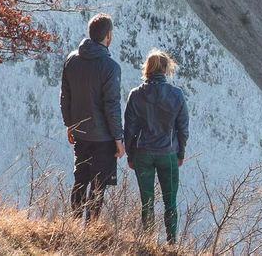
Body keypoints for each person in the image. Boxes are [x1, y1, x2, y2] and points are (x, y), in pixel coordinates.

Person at [60, 13, 125, 223]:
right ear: (108, 35)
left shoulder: (72, 60)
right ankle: (92, 230)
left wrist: (69, 124)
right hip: (103, 138)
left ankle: (73, 226)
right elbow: (112, 106)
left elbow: (65, 95)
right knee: (98, 187)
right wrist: (118, 139)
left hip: (80, 132)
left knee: (80, 180)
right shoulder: (110, 67)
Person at [124, 49, 189, 244]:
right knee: (170, 202)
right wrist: (181, 153)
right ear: (166, 69)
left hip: (143, 153)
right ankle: (171, 244)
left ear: (148, 69)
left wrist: (130, 155)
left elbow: (129, 129)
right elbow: (183, 129)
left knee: (147, 202)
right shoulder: (176, 95)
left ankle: (148, 242)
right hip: (168, 153)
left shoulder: (136, 94)